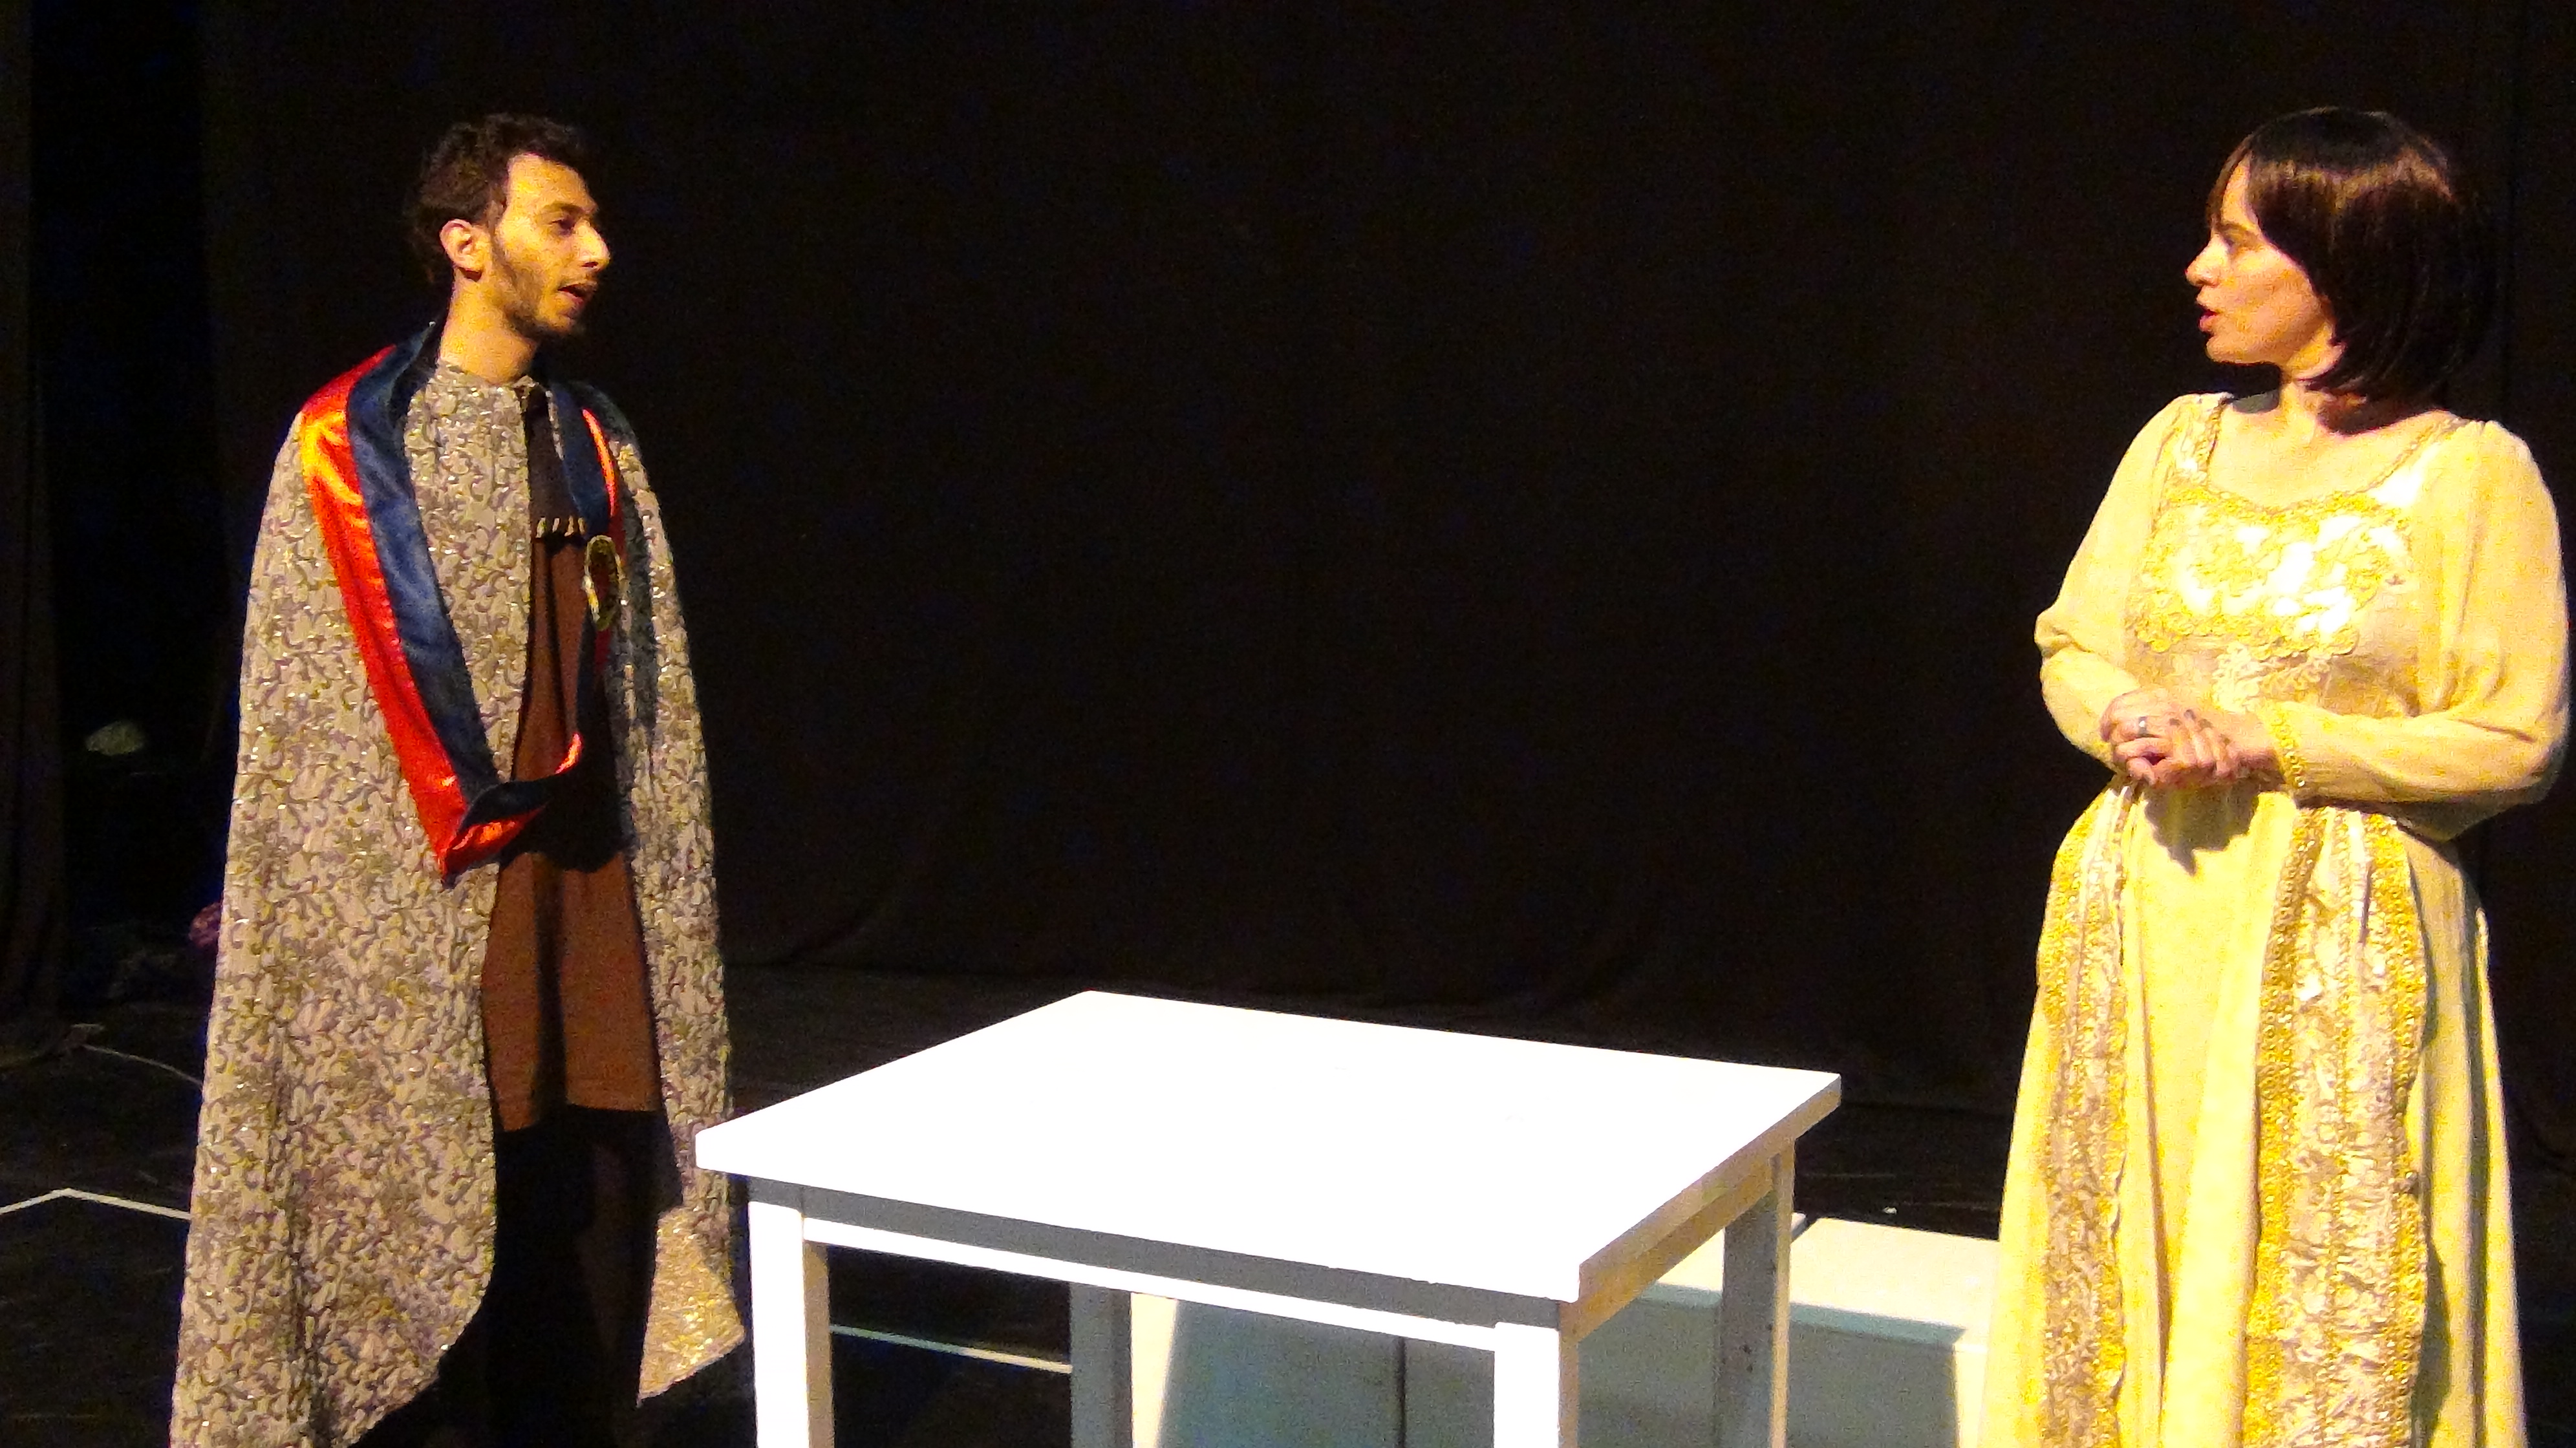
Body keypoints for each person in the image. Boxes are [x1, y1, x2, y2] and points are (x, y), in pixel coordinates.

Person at [1982, 108, 2559, 1448]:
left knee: (2317, 1258)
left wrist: (2268, 743)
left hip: (2340, 929)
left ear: (2347, 262)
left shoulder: (2472, 477)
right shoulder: (2179, 439)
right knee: (2128, 1229)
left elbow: (2515, 737)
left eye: (2239, 241)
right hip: (2150, 904)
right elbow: (2074, 639)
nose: (2202, 267)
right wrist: (2124, 710)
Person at [171, 115, 740, 1447]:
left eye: (594, 224)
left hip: (585, 896)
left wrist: (662, 885)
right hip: (431, 917)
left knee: (589, 1193)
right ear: (468, 244)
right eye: (562, 223)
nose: (596, 252)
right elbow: (305, 742)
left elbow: (652, 702)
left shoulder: (597, 436)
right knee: (437, 1201)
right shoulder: (347, 446)